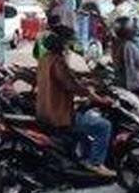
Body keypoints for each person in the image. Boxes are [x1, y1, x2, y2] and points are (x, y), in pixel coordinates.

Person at [36, 27, 115, 178]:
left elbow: (68, 78)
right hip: (58, 114)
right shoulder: (58, 60)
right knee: (103, 126)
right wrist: (97, 97)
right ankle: (95, 163)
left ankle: (82, 159)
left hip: (44, 110)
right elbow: (71, 85)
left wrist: (85, 79)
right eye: (67, 42)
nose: (69, 46)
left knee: (84, 126)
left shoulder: (45, 58)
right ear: (61, 43)